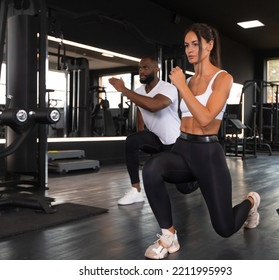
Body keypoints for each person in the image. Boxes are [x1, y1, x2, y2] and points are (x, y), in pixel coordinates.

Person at [142, 23, 261, 260]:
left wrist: (181, 86)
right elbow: (183, 115)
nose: (190, 50)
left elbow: (206, 118)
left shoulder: (223, 78)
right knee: (152, 168)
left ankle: (251, 202)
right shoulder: (186, 81)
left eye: (195, 44)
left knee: (224, 228)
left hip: (208, 153)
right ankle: (169, 236)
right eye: (187, 45)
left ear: (209, 45)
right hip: (183, 147)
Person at [108, 55, 181, 205]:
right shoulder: (139, 91)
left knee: (184, 187)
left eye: (146, 67)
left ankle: (203, 176)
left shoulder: (168, 88)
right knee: (132, 141)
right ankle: (136, 190)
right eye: (140, 68)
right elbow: (140, 110)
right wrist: (141, 133)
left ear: (156, 69)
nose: (141, 71)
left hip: (175, 143)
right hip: (156, 139)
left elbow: (153, 106)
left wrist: (123, 89)